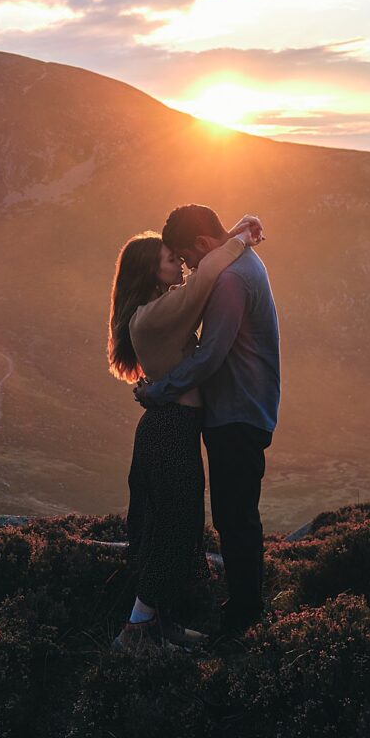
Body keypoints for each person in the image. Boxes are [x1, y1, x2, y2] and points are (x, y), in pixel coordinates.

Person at [106, 213, 264, 654]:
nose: (180, 265)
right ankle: (136, 632)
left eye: (179, 256)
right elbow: (207, 274)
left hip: (174, 428)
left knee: (180, 527)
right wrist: (242, 238)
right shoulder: (153, 315)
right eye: (169, 259)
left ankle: (163, 623)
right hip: (170, 429)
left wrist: (229, 235)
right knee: (172, 529)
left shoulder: (162, 307)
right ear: (148, 271)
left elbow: (202, 268)